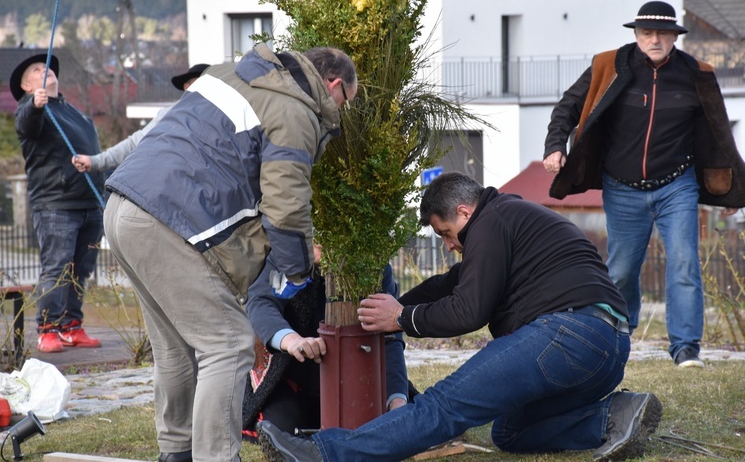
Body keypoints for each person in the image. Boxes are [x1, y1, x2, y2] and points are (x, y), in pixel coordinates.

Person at [257, 171, 662, 462]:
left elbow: (468, 309)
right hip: (608, 348)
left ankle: (324, 453)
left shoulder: (492, 222)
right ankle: (614, 416)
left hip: (564, 335)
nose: (449, 245)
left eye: (446, 233)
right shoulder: (513, 221)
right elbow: (451, 284)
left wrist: (401, 318)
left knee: (442, 407)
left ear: (465, 212)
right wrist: (386, 307)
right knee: (510, 432)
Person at [102, 43, 356, 462]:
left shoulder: (229, 73)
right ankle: (216, 457)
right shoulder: (294, 112)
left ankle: (178, 452)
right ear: (333, 85)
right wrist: (299, 273)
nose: (341, 112)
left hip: (124, 206)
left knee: (176, 347)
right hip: (169, 218)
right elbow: (287, 208)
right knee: (230, 343)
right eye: (346, 100)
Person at [543, 1, 745, 368]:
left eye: (663, 34)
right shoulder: (609, 65)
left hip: (677, 185)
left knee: (684, 262)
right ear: (636, 35)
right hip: (621, 187)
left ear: (674, 37)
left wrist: (733, 189)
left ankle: (686, 348)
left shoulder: (697, 73)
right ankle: (618, 337)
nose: (655, 40)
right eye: (647, 33)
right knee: (621, 269)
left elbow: (718, 133)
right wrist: (555, 146)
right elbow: (567, 107)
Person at [242, 243, 413, 444]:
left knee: (392, 425)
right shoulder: (288, 255)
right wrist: (291, 340)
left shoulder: (373, 266)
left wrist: (396, 399)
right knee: (282, 433)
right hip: (291, 379)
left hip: (358, 381)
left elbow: (389, 339)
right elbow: (262, 302)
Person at [11, 53, 105, 354]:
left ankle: (71, 326)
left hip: (89, 202)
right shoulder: (31, 109)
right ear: (27, 87)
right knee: (57, 268)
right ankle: (47, 329)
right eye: (37, 70)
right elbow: (26, 125)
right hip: (56, 203)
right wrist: (35, 105)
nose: (45, 70)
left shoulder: (76, 113)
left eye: (47, 67)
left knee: (81, 270)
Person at [71, 63, 210, 173]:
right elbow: (136, 143)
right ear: (186, 87)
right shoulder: (170, 116)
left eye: (208, 85)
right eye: (199, 83)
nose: (204, 89)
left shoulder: (227, 117)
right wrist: (96, 161)